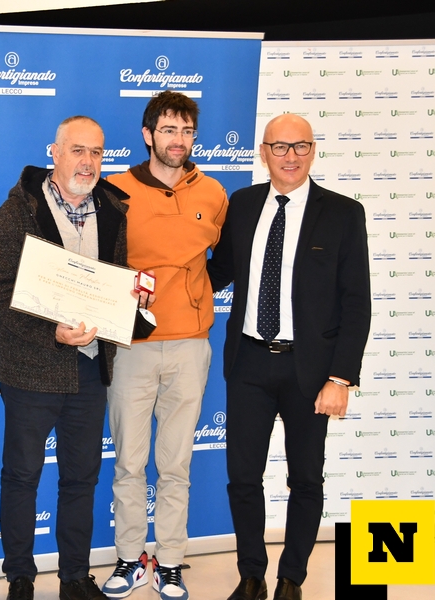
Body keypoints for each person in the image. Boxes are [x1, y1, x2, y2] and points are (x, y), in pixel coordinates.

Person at [207, 114, 371, 600]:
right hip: (249, 362)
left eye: (301, 145)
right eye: (280, 146)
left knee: (305, 479)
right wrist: (161, 277)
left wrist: (340, 378)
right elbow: (218, 273)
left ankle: (291, 578)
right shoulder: (242, 205)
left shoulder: (343, 213)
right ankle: (252, 576)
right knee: (242, 477)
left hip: (312, 370)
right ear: (264, 153)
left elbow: (356, 302)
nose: (291, 156)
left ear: (313, 150)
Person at [0, 116, 136, 600]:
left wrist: (132, 303)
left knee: (81, 479)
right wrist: (51, 332)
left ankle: (74, 576)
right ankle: (20, 577)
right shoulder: (19, 209)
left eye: (96, 152)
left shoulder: (113, 209)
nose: (87, 162)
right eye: (77, 150)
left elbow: (117, 282)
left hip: (89, 370)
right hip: (31, 370)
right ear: (54, 152)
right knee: (21, 477)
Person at [101, 91, 228, 600]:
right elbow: (101, 259)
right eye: (169, 130)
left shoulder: (213, 193)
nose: (179, 140)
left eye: (187, 131)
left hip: (190, 346)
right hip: (131, 344)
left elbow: (224, 260)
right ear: (148, 134)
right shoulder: (115, 189)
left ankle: (170, 561)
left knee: (176, 464)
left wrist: (195, 292)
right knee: (130, 462)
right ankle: (130, 558)